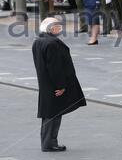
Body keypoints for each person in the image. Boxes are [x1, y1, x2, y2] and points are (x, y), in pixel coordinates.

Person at [32, 17, 87, 152]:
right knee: (54, 114)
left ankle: (48, 142)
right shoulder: (52, 44)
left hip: (45, 83)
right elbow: (55, 68)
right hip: (54, 85)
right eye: (58, 26)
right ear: (51, 28)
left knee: (49, 113)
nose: (60, 28)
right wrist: (61, 85)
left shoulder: (38, 42)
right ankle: (50, 143)